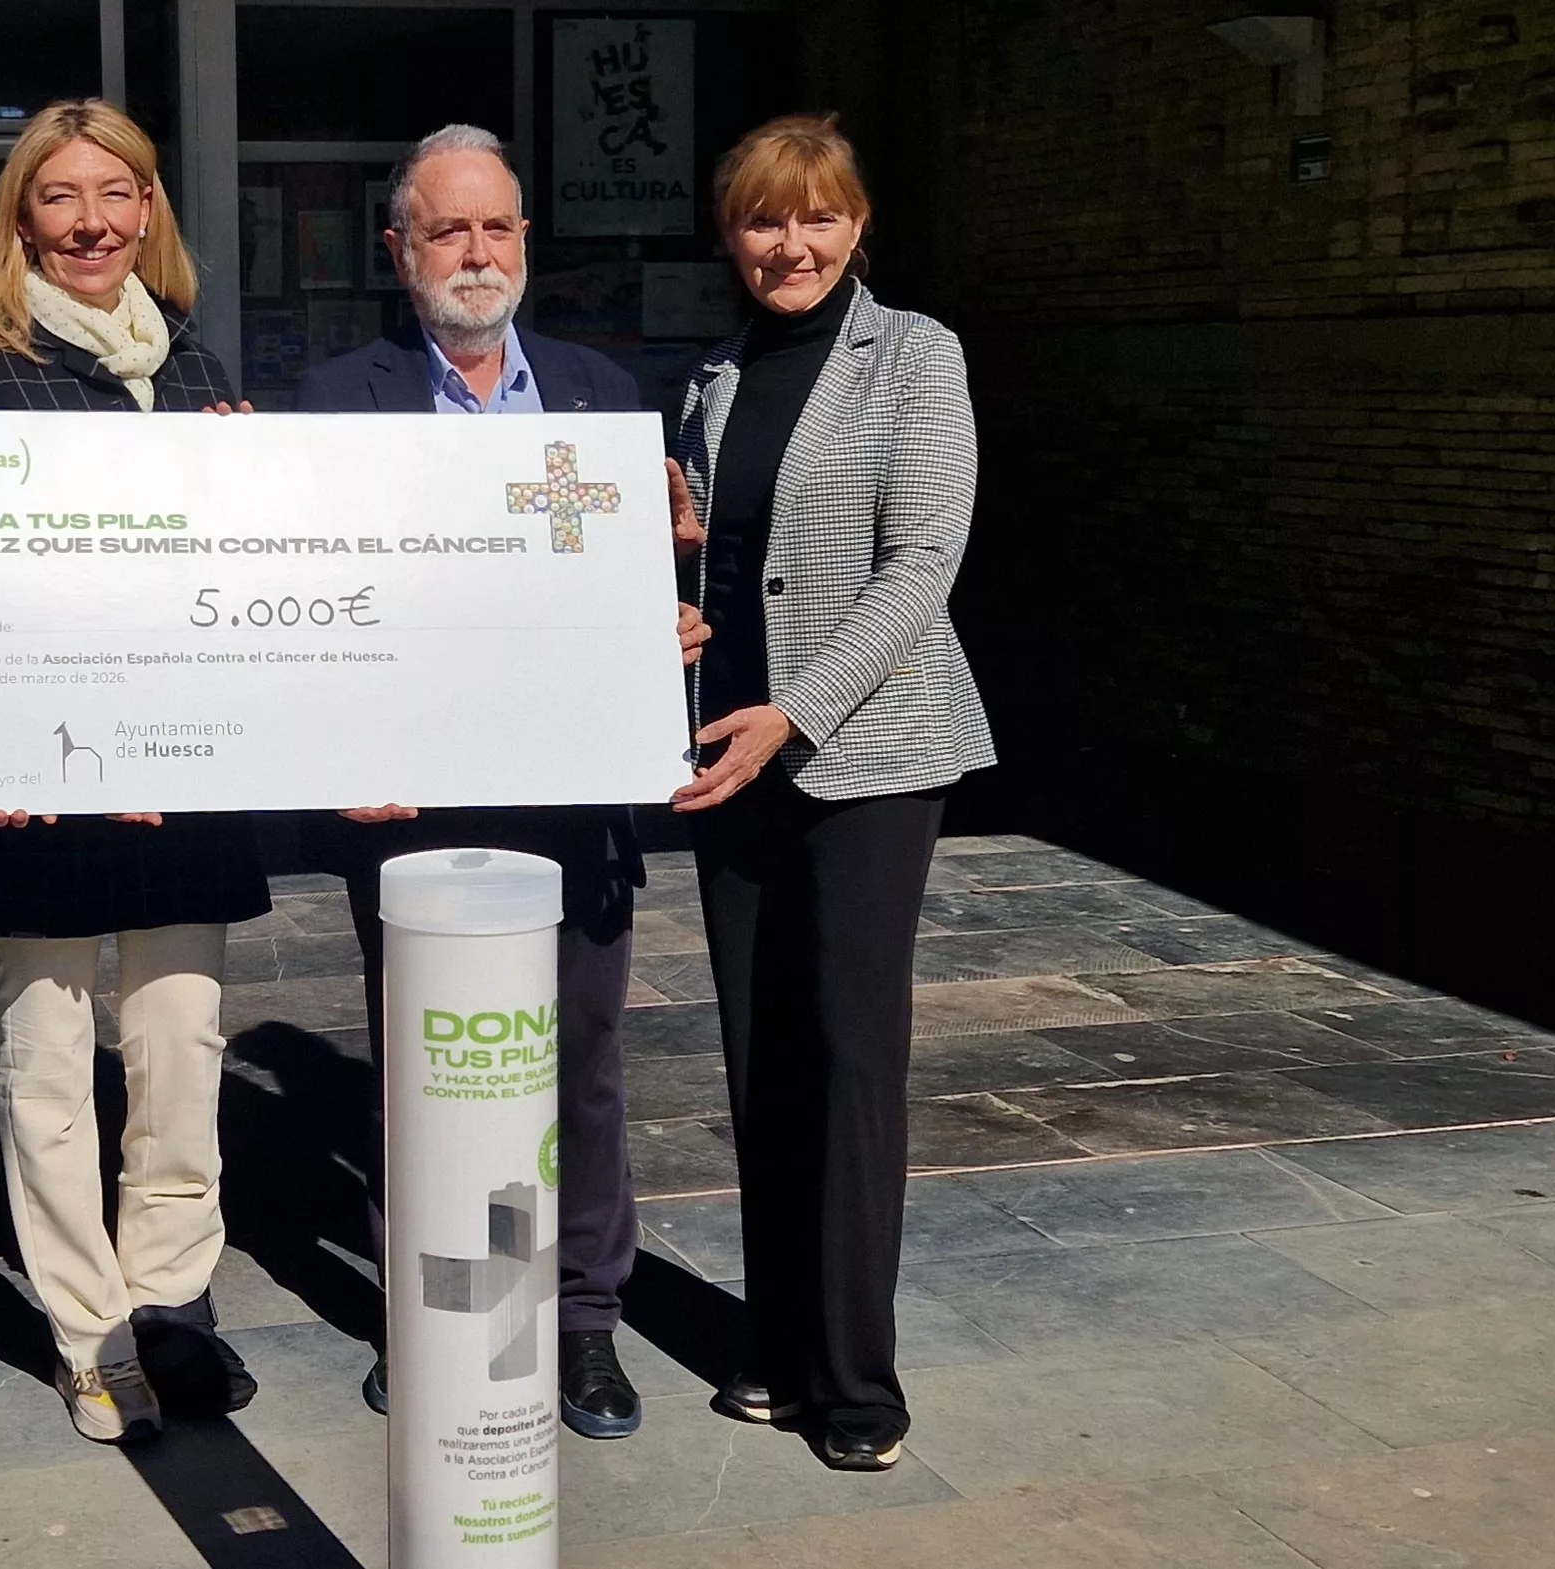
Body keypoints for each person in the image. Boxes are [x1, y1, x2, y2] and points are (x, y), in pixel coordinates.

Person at [297, 123, 709, 1441]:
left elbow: (633, 586)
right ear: (398, 249)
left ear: (525, 240)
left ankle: (579, 1321)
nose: (474, 254)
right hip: (411, 802)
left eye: (496, 228)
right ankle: (435, 1320)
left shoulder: (597, 396)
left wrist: (670, 608)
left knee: (578, 1064)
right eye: (446, 231)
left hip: (569, 793)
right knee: (424, 1071)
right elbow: (306, 602)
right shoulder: (335, 402)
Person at [0, 99, 267, 1446]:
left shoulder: (195, 361)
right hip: (40, 772)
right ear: (22, 217)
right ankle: (88, 1329)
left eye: (115, 195)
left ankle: (175, 1300)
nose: (89, 223)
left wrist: (252, 490)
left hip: (183, 766)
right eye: (60, 198)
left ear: (149, 212)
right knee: (51, 1058)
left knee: (180, 1045)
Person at [668, 114, 993, 1473]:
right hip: (724, 754)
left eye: (814, 218)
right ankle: (777, 1341)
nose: (786, 246)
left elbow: (921, 563)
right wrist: (676, 600)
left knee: (851, 1059)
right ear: (728, 233)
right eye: (759, 220)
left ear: (857, 225)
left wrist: (794, 710)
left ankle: (855, 1380)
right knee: (760, 1054)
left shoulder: (914, 356)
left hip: (865, 753)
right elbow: (725, 560)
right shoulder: (709, 379)